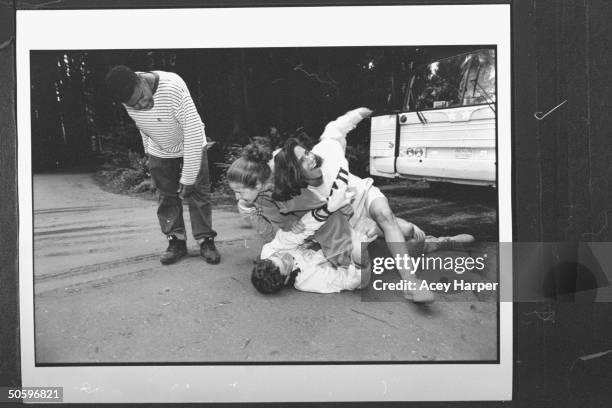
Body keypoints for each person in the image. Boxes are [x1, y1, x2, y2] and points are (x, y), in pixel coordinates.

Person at [272, 107, 474, 303]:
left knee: (385, 215)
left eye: (306, 152)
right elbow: (270, 197)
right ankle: (439, 242)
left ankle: (411, 283)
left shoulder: (326, 150)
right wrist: (290, 224)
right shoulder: (300, 196)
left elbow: (337, 127)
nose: (310, 157)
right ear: (295, 172)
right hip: (353, 222)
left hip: (365, 195)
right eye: (303, 160)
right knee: (409, 237)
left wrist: (359, 113)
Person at [105, 65, 220, 265]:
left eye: (142, 97)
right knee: (166, 196)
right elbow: (144, 128)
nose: (142, 105)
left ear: (140, 80)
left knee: (198, 192)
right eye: (135, 105)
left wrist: (188, 176)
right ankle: (176, 241)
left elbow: (192, 132)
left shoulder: (173, 86)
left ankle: (205, 240)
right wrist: (148, 152)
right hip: (159, 147)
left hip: (190, 141)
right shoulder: (128, 97)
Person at [251, 170, 374, 294]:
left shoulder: (270, 250)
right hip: (344, 254)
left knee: (305, 221)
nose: (284, 255)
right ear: (287, 278)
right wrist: (359, 261)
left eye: (277, 256)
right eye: (285, 262)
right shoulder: (307, 280)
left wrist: (329, 208)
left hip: (329, 230)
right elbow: (349, 282)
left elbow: (304, 228)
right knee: (371, 229)